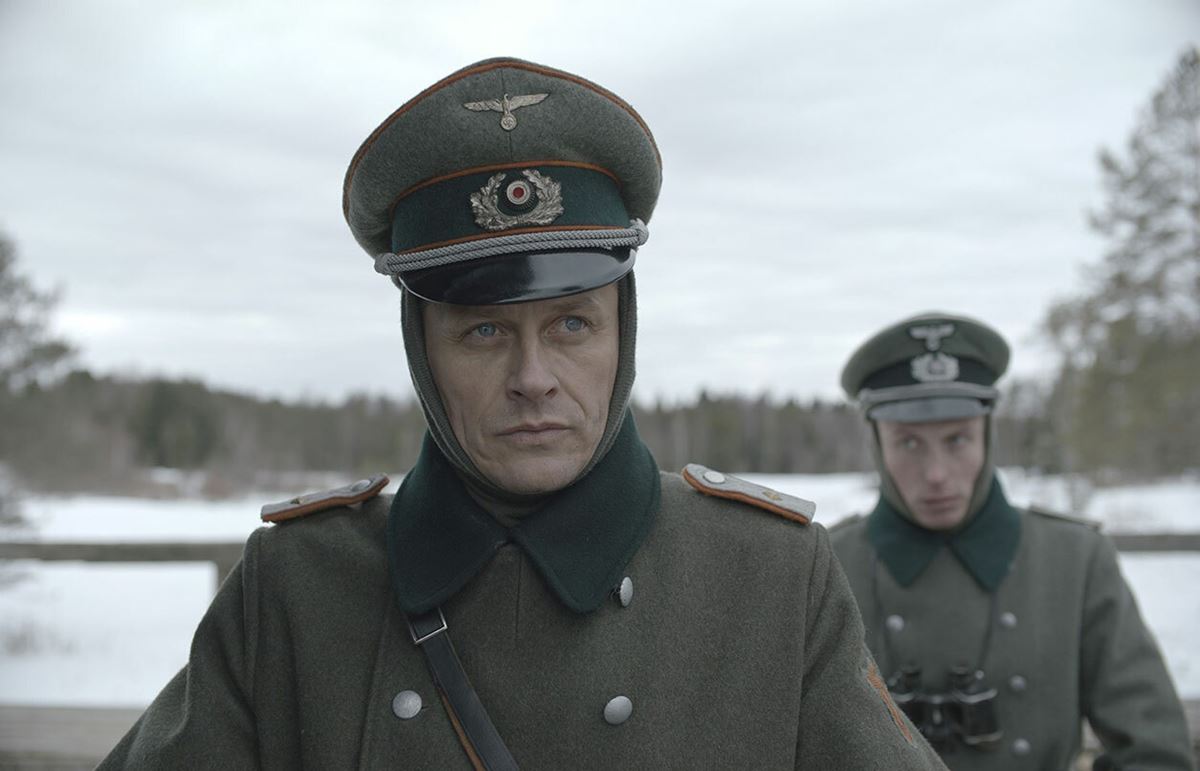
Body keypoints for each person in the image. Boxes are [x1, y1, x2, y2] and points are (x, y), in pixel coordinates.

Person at [98, 58, 945, 768]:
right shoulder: (297, 587)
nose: (533, 377)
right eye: (484, 330)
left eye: (573, 325)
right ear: (423, 350)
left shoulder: (768, 578)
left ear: (622, 335)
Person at [830, 311, 1196, 770]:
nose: (937, 474)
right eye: (908, 443)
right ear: (877, 445)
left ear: (987, 436)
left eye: (957, 439)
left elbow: (1155, 752)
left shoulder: (1073, 561)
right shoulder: (829, 566)